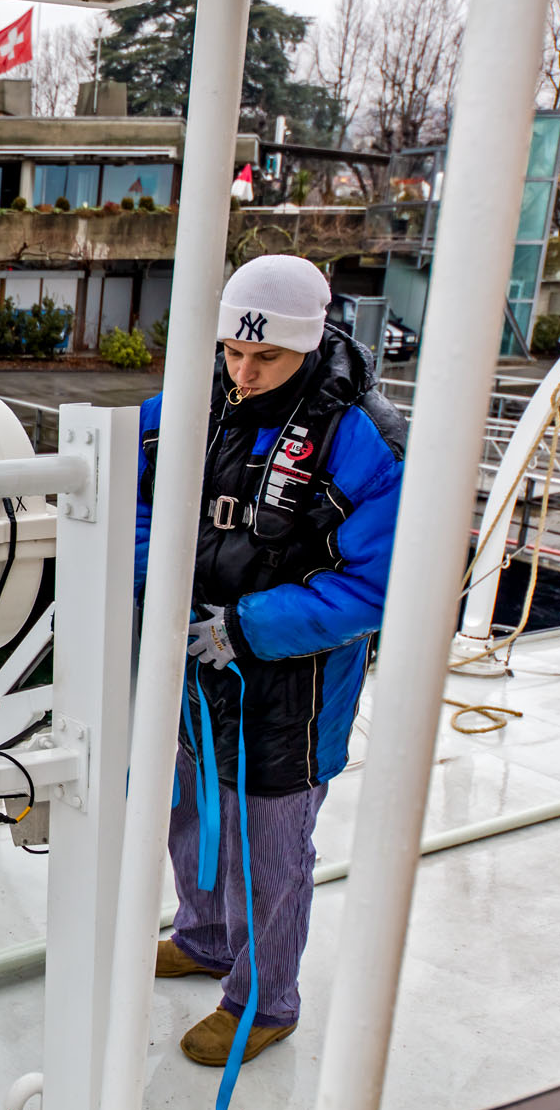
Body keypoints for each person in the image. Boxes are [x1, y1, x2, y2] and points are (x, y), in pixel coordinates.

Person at [134, 254, 405, 1068]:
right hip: (194, 660)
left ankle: (264, 1001)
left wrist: (245, 628)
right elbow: (136, 502)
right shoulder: (188, 406)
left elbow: (380, 584)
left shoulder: (366, 441)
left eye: (267, 357)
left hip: (296, 684)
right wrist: (160, 588)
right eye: (232, 351)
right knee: (191, 807)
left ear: (310, 343)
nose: (243, 373)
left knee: (273, 845)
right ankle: (206, 935)